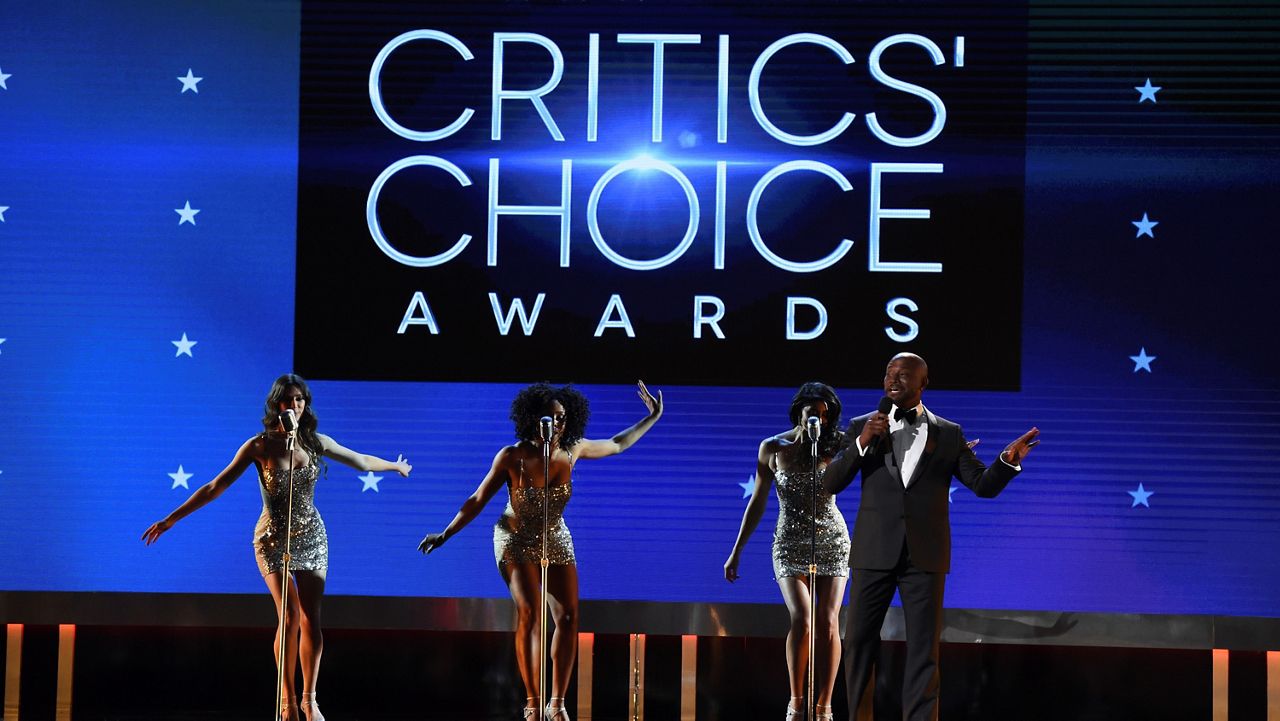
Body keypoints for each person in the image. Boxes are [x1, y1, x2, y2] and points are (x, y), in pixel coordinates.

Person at [142, 374, 412, 721]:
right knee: (289, 614)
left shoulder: (315, 443)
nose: (294, 406)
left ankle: (309, 699)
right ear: (276, 405)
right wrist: (171, 519)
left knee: (311, 619)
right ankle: (286, 700)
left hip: (312, 535)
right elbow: (215, 486)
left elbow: (359, 460)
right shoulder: (259, 446)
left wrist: (394, 465)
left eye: (299, 400)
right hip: (272, 538)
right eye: (288, 400)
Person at [418, 381, 663, 721]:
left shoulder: (573, 450)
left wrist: (652, 417)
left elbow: (617, 444)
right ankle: (533, 702)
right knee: (531, 613)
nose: (556, 423)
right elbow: (477, 500)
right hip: (514, 538)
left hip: (555, 536)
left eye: (561, 417)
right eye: (549, 417)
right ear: (534, 420)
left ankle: (557, 703)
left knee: (567, 616)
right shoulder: (512, 456)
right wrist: (446, 533)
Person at [822, 353, 1039, 721]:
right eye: (889, 372)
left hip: (925, 555)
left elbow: (982, 485)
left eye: (904, 375)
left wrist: (1007, 460)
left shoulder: (949, 434)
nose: (893, 379)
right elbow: (831, 482)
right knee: (858, 643)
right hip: (873, 552)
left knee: (924, 650)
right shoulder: (862, 426)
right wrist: (861, 444)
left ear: (923, 383)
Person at [724, 382, 851, 721]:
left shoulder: (835, 444)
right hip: (789, 542)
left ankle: (824, 705)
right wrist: (736, 551)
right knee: (803, 619)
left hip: (833, 541)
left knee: (827, 622)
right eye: (814, 413)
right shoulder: (772, 447)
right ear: (800, 412)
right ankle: (796, 702)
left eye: (826, 416)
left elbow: (876, 430)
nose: (820, 421)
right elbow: (758, 501)